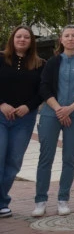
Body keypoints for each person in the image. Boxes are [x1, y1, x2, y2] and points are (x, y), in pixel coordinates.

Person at [33, 25, 74, 217]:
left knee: (69, 157)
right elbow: (44, 87)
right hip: (51, 114)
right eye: (66, 35)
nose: (70, 38)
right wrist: (59, 109)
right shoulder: (52, 62)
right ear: (61, 39)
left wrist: (69, 109)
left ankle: (63, 199)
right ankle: (40, 200)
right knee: (46, 157)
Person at [0, 26, 44, 218]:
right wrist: (2, 104)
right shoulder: (1, 58)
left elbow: (43, 91)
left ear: (31, 41)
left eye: (26, 37)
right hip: (1, 117)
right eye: (19, 36)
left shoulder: (40, 64)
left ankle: (2, 202)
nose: (22, 39)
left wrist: (29, 106)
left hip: (24, 120)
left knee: (14, 161)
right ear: (12, 39)